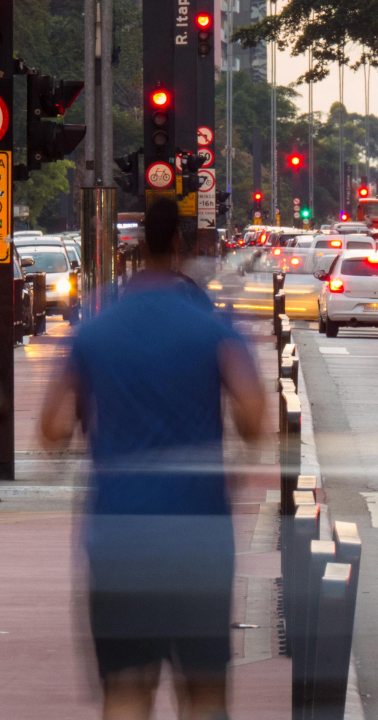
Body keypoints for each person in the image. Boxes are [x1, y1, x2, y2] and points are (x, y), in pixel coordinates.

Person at [40, 197, 265, 720]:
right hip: (199, 537)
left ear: (139, 247)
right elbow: (254, 421)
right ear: (181, 245)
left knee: (126, 689)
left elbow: (52, 431)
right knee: (204, 692)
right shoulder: (213, 326)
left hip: (117, 538)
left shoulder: (96, 328)